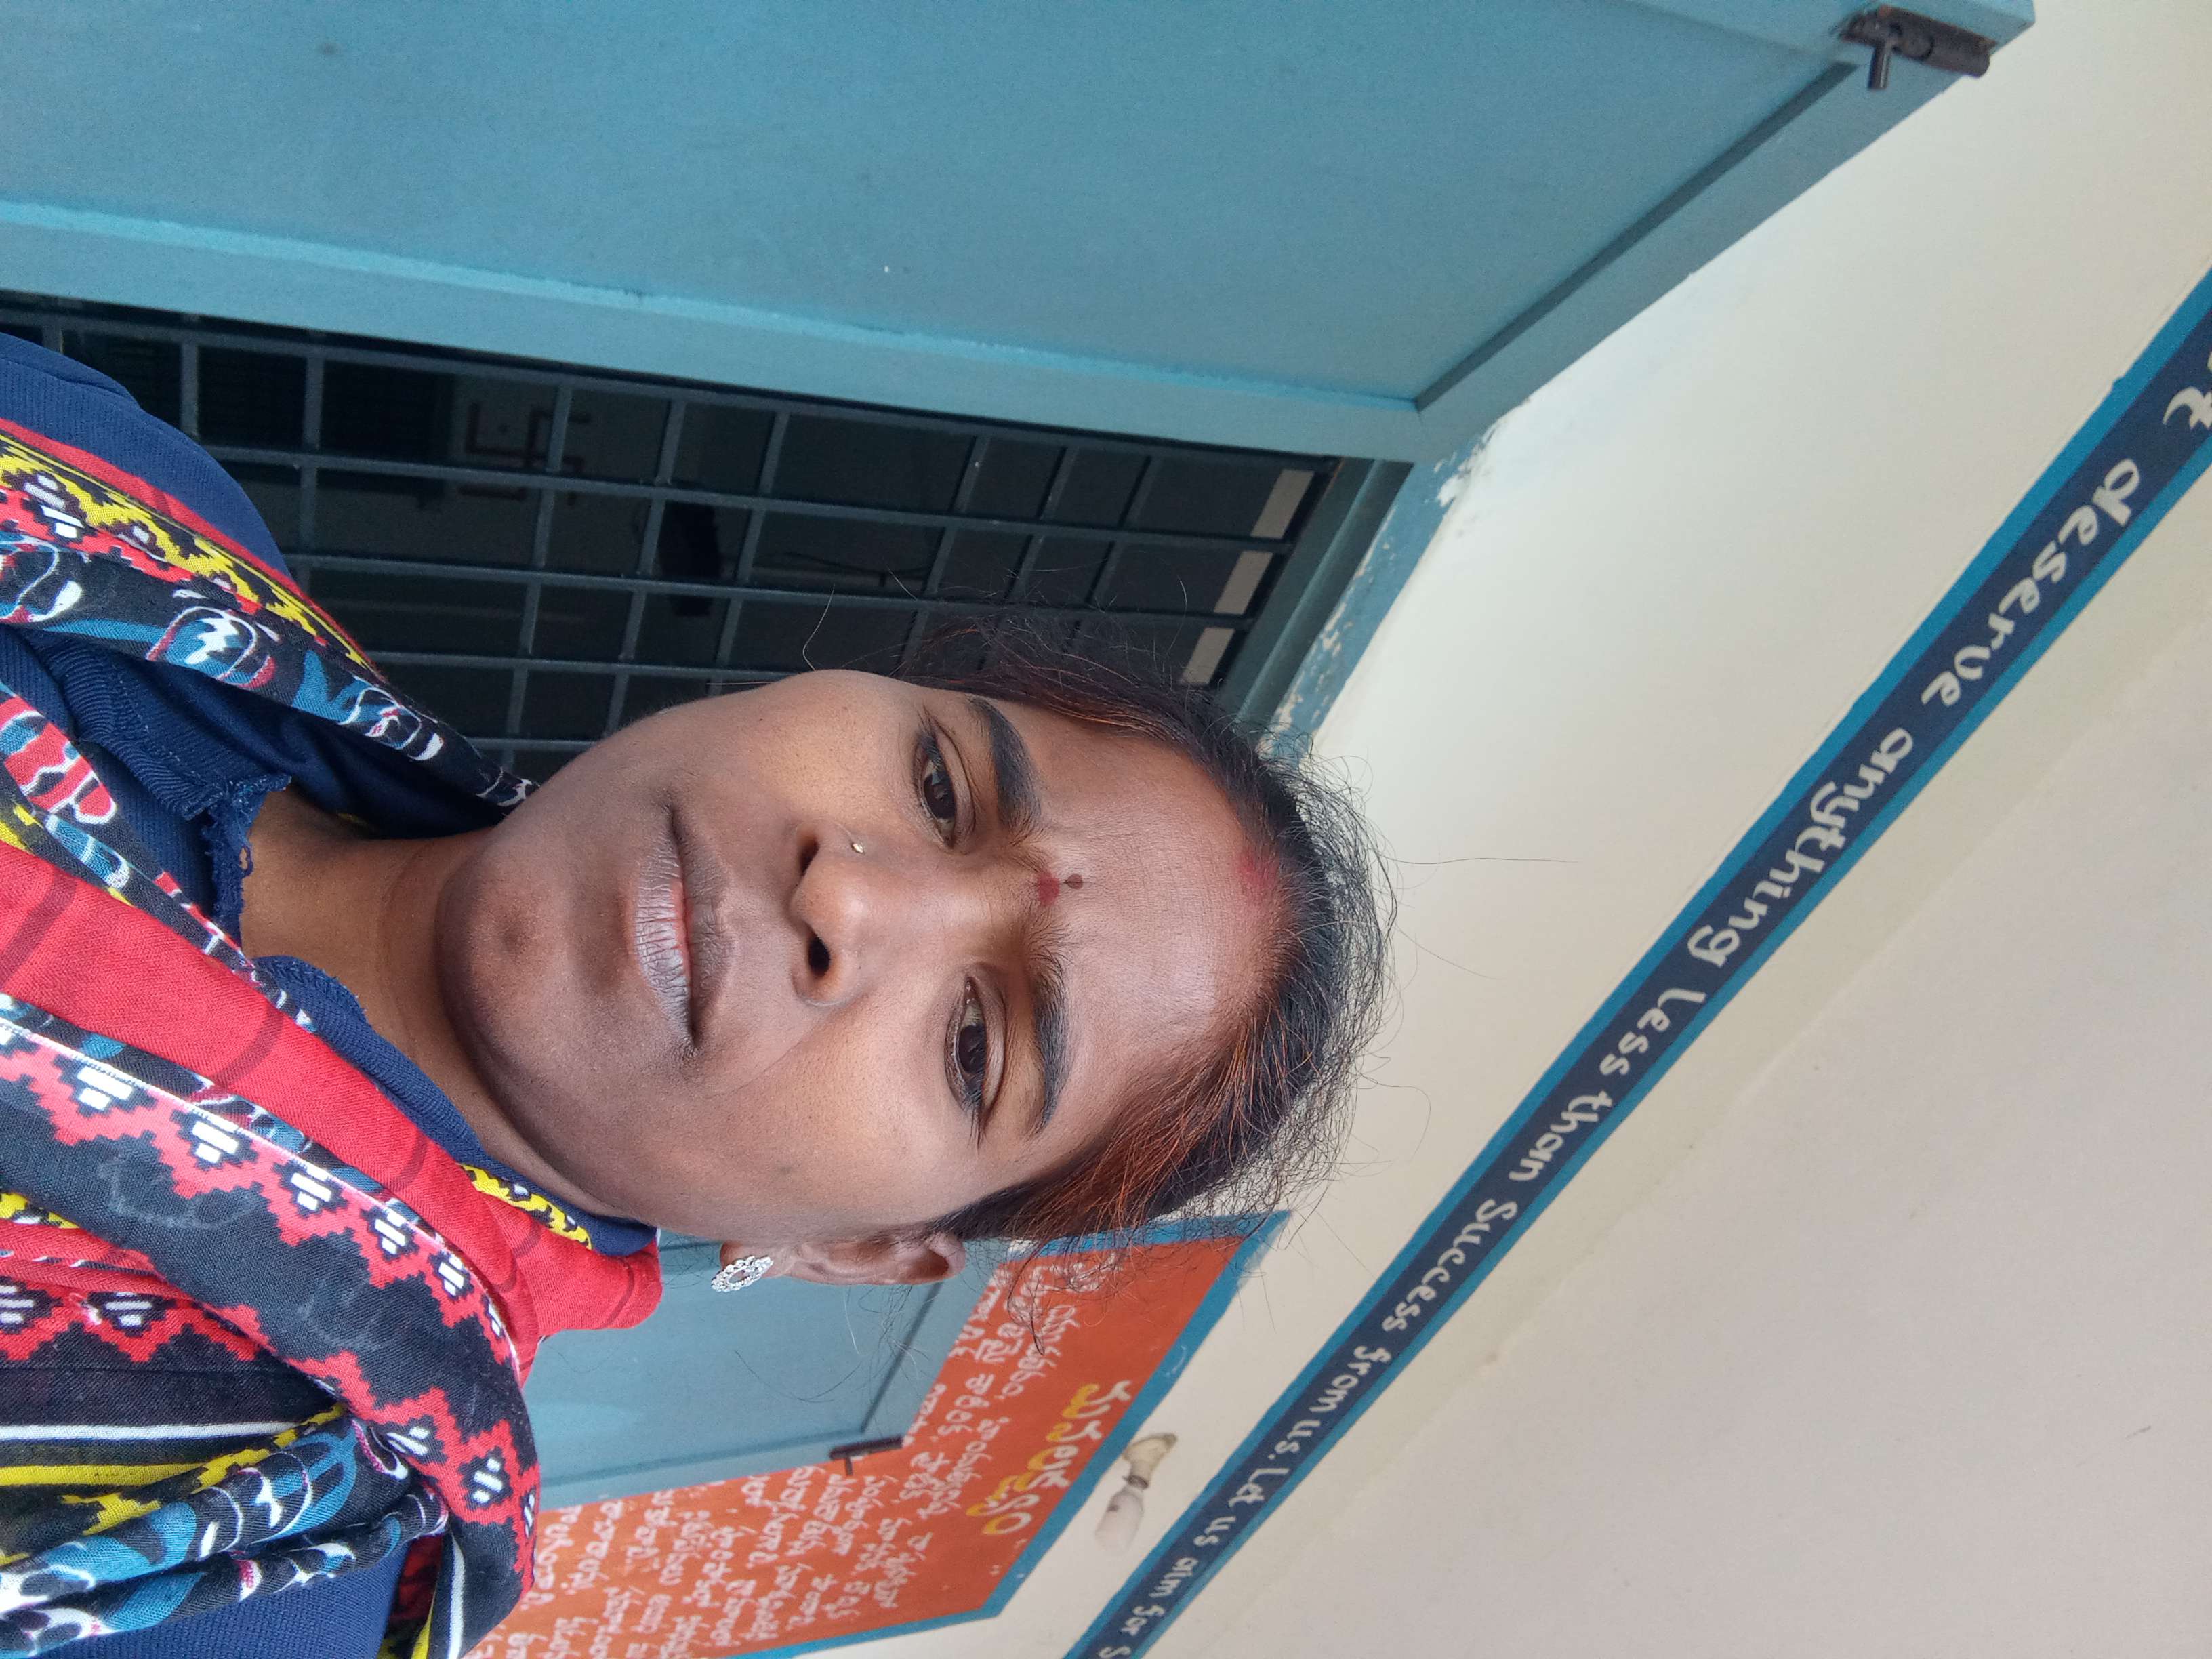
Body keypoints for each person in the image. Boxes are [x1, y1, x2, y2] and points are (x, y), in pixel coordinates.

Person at [0, 331, 1387, 1656]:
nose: (849, 899)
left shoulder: (239, 1565)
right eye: (939, 784)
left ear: (862, 1246)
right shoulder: (123, 488)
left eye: (977, 1041)